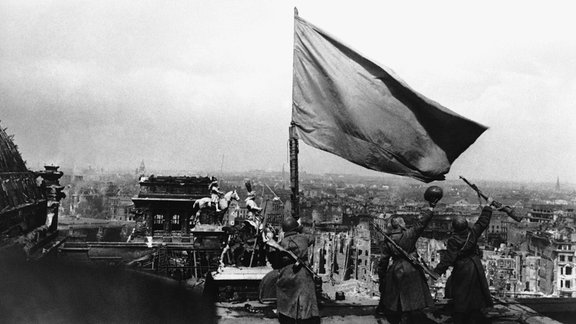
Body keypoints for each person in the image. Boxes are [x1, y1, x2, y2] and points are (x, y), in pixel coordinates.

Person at [376, 196, 439, 324]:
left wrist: (382, 277)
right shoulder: (409, 235)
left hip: (396, 268)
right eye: (403, 223)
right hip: (411, 268)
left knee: (398, 296)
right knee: (411, 296)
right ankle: (408, 317)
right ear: (400, 225)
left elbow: (383, 261)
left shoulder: (388, 240)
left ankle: (400, 316)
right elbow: (422, 223)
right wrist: (431, 208)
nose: (405, 224)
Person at [433, 201, 495, 324]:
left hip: (462, 267)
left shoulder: (453, 240)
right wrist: (488, 206)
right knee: (476, 290)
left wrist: (437, 271)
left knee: (461, 291)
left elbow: (449, 259)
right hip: (475, 265)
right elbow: (482, 222)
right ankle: (475, 313)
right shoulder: (473, 233)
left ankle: (461, 315)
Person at [276, 217, 319, 324]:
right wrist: (302, 230)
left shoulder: (282, 242)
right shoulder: (304, 238)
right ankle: (305, 317)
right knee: (306, 296)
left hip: (286, 273)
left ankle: (288, 316)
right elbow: (312, 238)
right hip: (303, 272)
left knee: (286, 299)